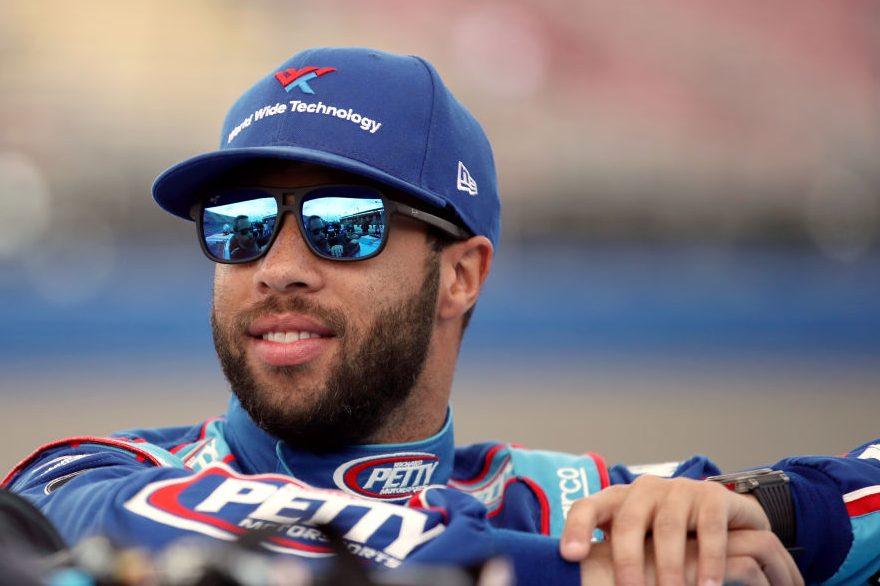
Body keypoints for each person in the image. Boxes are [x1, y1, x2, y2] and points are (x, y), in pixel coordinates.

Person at [3, 47, 878, 585]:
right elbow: (245, 540)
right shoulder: (84, 475)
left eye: (343, 227)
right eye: (241, 227)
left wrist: (771, 511)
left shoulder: (555, 498)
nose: (276, 268)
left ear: (462, 275)